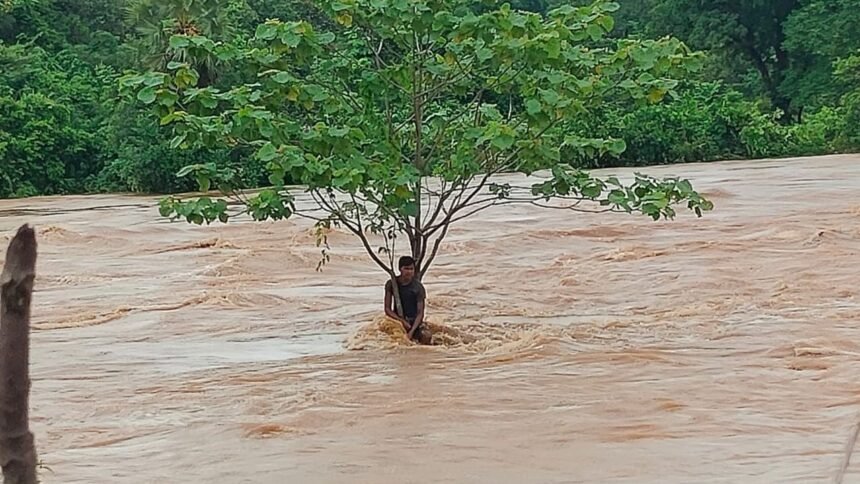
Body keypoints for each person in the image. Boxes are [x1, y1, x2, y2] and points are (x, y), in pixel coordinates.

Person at [384, 256, 432, 345]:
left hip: (414, 322)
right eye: (406, 269)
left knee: (426, 336)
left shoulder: (418, 288)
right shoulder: (392, 284)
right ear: (400, 269)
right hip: (397, 320)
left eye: (411, 269)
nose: (409, 272)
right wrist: (401, 321)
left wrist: (412, 331)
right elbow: (387, 309)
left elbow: (420, 313)